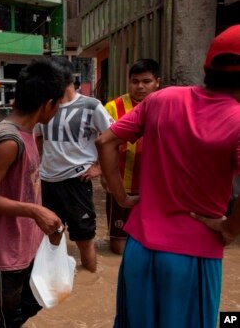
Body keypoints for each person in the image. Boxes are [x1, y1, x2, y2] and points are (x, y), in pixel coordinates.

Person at [97, 24, 240, 328]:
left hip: (139, 249)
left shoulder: (161, 99)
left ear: (207, 66)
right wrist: (231, 228)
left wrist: (120, 196)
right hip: (195, 254)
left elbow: (105, 141)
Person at [0, 59, 66, 327]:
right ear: (48, 104)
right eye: (58, 104)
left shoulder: (30, 133)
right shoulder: (9, 141)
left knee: (40, 297)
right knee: (8, 318)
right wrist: (35, 211)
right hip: (5, 252)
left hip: (27, 243)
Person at [33, 56, 113, 273]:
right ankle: (54, 279)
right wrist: (37, 167)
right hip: (48, 181)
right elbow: (38, 137)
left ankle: (90, 280)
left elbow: (111, 138)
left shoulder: (91, 105)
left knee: (84, 238)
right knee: (51, 234)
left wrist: (99, 167)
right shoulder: (46, 107)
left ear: (64, 79)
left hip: (77, 181)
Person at [103, 59, 161, 254]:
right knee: (118, 245)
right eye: (135, 81)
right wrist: (103, 172)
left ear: (157, 82)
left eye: (146, 81)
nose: (140, 87)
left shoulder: (166, 105)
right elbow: (102, 142)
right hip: (121, 183)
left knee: (154, 239)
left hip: (154, 185)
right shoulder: (113, 107)